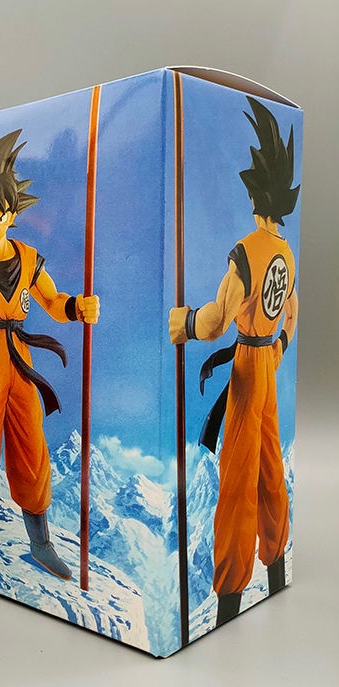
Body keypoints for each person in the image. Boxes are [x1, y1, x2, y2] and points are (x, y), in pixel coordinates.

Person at [0, 130, 99, 580]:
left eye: (4, 213)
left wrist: (78, 307)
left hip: (22, 357)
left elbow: (52, 301)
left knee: (31, 444)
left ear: (13, 213)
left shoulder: (29, 257)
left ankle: (41, 543)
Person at [169, 96, 299, 626]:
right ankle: (276, 569)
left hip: (247, 368)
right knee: (270, 469)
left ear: (256, 196)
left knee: (238, 480)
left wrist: (183, 321)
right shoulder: (286, 253)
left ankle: (230, 596)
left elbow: (217, 322)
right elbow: (291, 311)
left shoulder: (246, 252)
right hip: (267, 364)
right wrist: (278, 347)